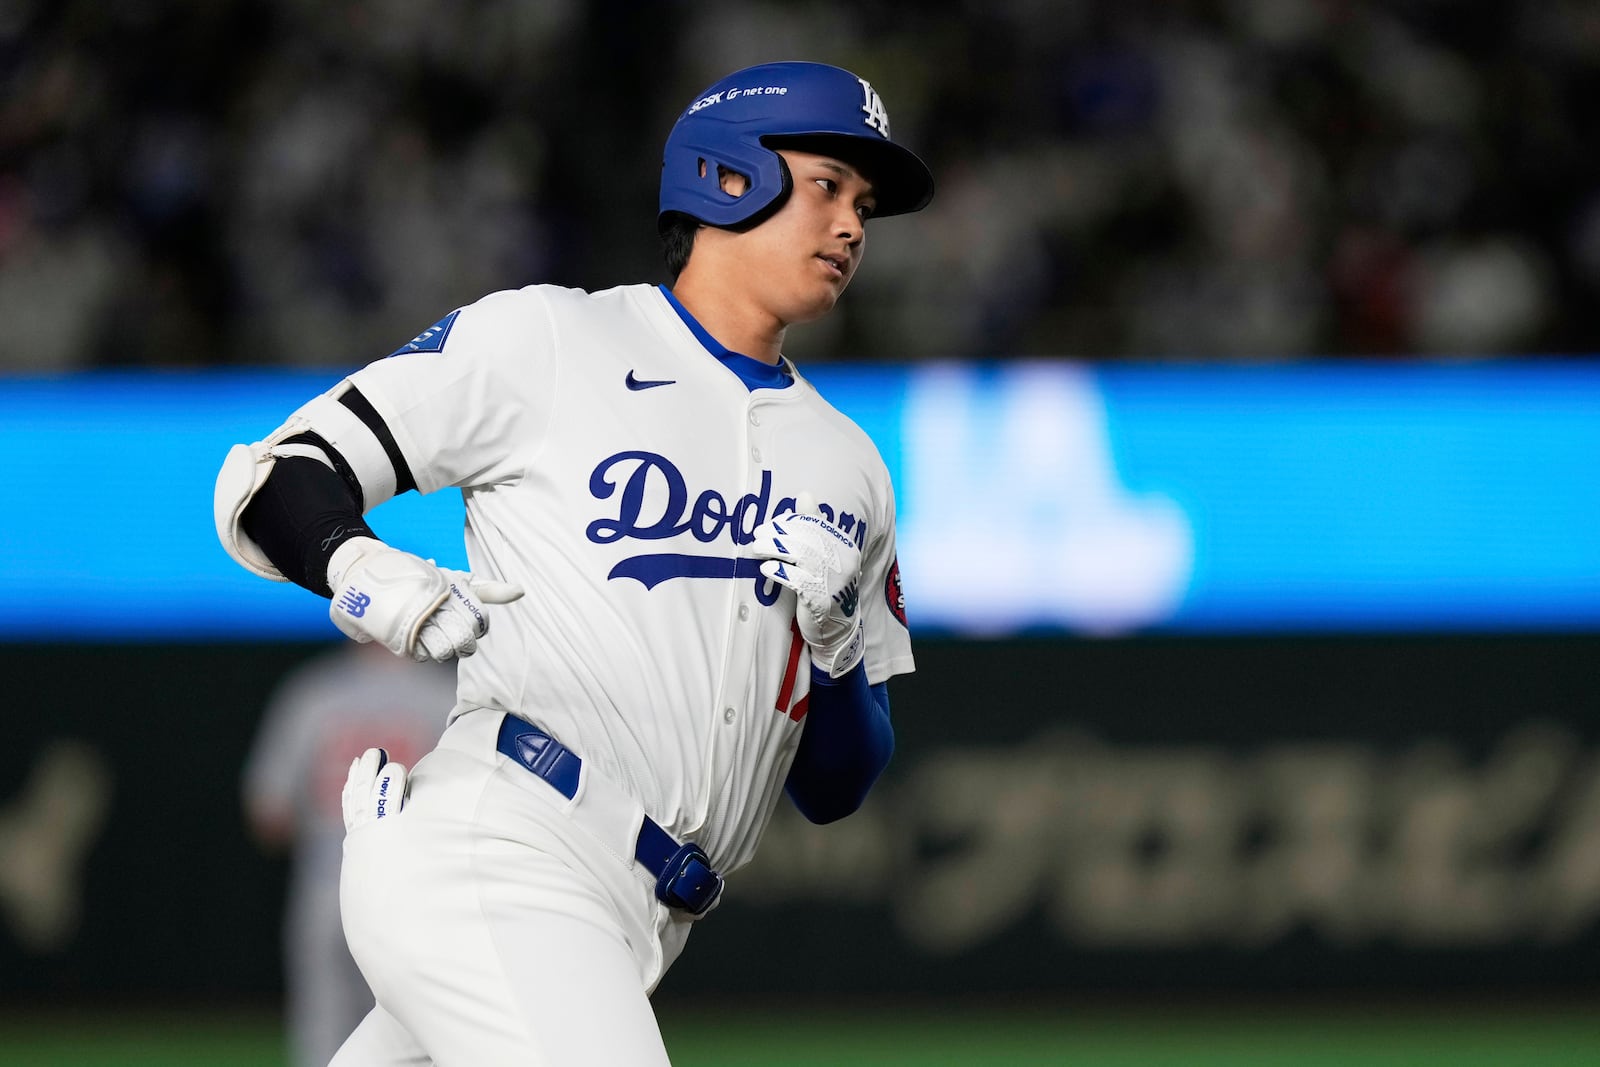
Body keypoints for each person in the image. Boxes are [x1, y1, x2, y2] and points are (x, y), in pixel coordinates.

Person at [212, 59, 932, 1065]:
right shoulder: (552, 337)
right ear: (728, 178)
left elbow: (838, 782)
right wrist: (361, 568)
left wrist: (836, 646)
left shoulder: (848, 463)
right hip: (502, 845)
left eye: (863, 203)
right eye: (827, 185)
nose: (853, 224)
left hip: (634, 913)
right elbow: (282, 474)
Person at [241, 641, 454, 1067]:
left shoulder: (315, 691)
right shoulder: (447, 695)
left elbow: (269, 813)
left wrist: (326, 833)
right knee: (423, 1028)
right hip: (419, 892)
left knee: (325, 1026)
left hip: (328, 885)